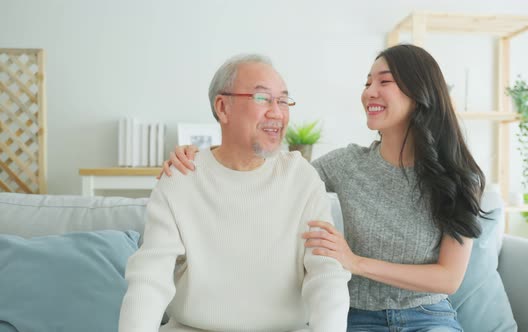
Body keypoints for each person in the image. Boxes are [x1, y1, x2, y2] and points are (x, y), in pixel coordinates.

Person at [162, 44, 485, 331]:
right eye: (367, 82)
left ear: (420, 93)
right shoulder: (345, 164)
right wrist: (200, 162)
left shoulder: (461, 178)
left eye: (384, 81)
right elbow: (268, 177)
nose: (370, 91)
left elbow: (449, 278)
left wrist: (355, 262)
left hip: (428, 317)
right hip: (356, 318)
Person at [119, 54, 351, 332]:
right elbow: (150, 279)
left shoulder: (301, 178)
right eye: (263, 98)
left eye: (283, 100)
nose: (277, 112)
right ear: (223, 107)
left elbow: (326, 275)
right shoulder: (181, 178)